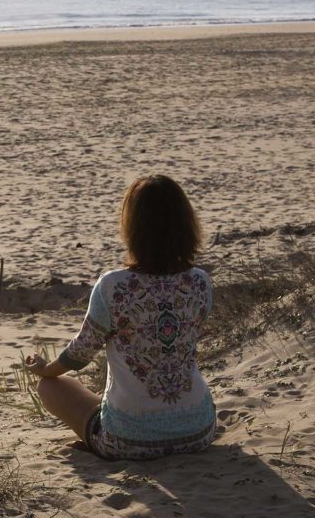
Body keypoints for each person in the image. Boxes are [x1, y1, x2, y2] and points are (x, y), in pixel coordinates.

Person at [25, 174, 216, 460]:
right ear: (187, 224)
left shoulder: (114, 286)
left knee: (51, 387)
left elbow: (80, 353)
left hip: (127, 441)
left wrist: (45, 370)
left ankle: (100, 434)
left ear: (133, 228)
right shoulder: (200, 282)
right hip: (199, 431)